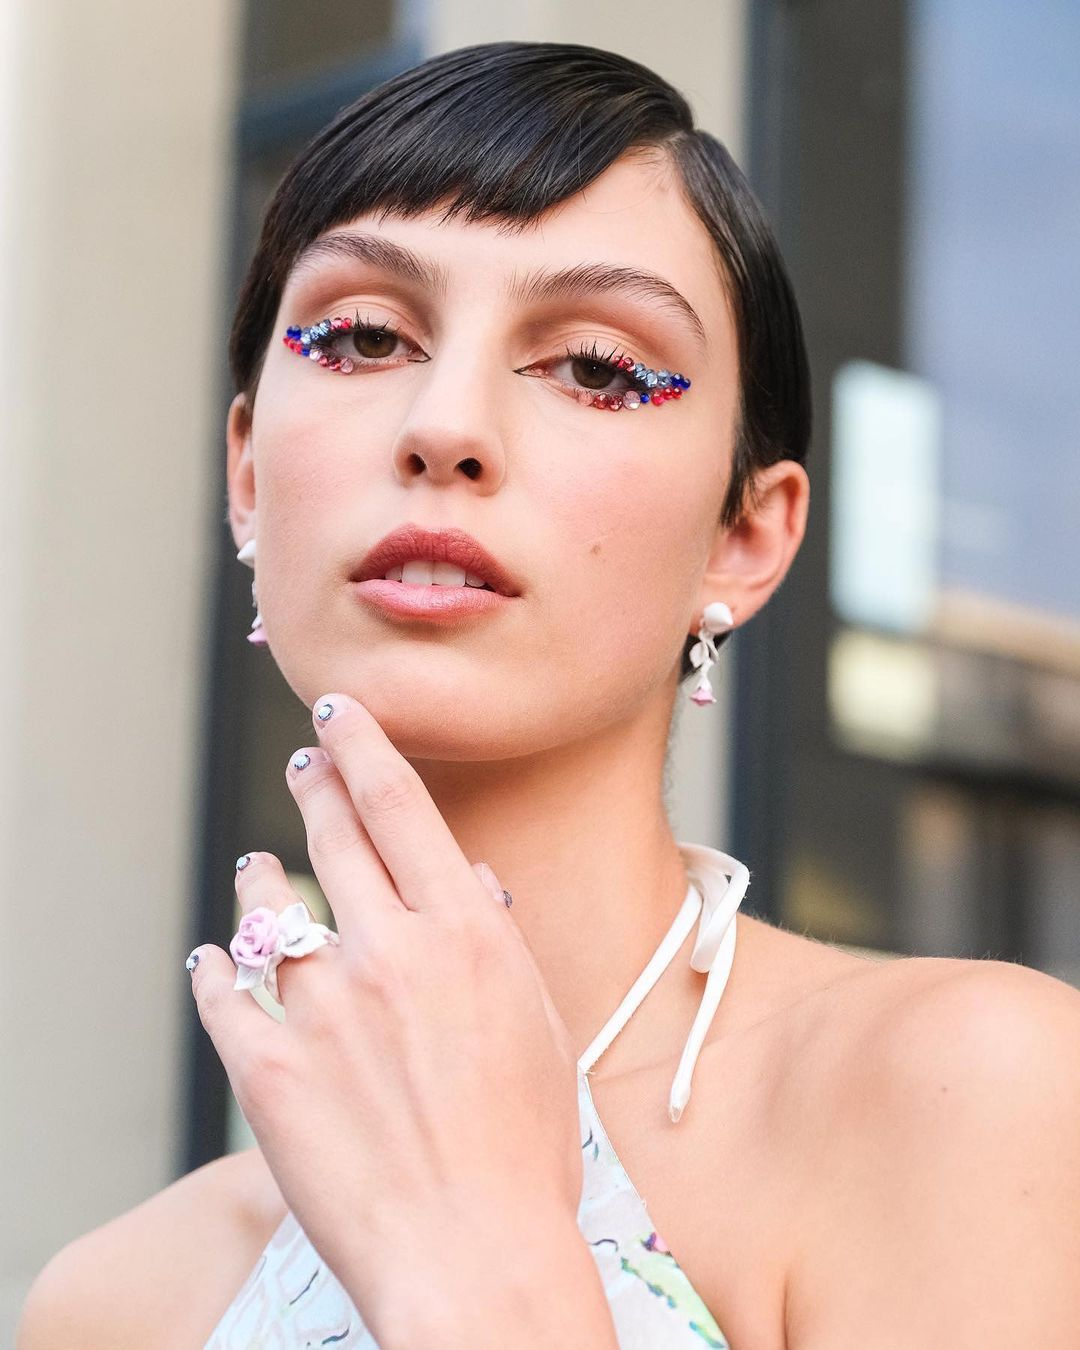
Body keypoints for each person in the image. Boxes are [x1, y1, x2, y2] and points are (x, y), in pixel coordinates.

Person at [18, 41, 1080, 1349]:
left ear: (744, 536)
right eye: (361, 337)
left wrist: (482, 1269)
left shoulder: (965, 1093)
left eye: (595, 366)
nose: (445, 427)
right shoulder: (117, 1302)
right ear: (247, 475)